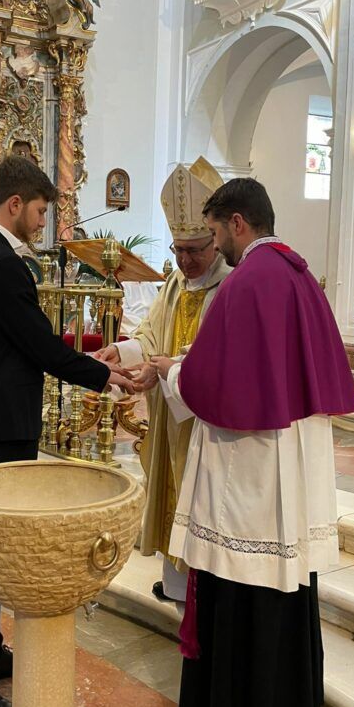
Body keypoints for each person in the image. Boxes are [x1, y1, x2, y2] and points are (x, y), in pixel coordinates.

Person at [149, 178, 354, 707]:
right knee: (285, 584)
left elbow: (210, 384)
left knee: (240, 580)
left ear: (238, 223)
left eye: (215, 232)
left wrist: (171, 371)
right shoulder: (297, 274)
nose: (216, 245)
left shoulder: (246, 282)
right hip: (291, 461)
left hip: (247, 471)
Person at [0, 154, 135, 707]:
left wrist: (94, 365)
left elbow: (28, 344)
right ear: (15, 204)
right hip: (2, 421)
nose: (41, 221)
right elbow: (40, 346)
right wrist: (104, 376)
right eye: (39, 210)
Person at [96, 159, 231, 603]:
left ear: (216, 241)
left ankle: (203, 589)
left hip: (207, 421)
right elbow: (152, 333)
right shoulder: (175, 283)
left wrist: (168, 367)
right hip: (172, 415)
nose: (185, 261)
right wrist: (124, 351)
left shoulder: (232, 286)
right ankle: (176, 584)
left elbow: (222, 356)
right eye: (179, 250)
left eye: (195, 251)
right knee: (171, 487)